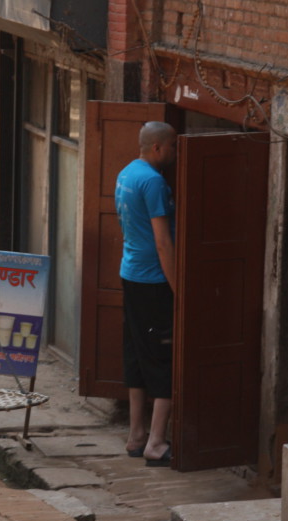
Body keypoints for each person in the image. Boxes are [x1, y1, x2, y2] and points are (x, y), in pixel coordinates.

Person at [114, 121, 178, 467]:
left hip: (131, 274)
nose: (174, 153)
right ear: (157, 148)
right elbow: (162, 240)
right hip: (153, 281)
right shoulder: (153, 182)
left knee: (137, 355)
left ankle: (135, 435)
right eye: (172, 147)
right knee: (163, 359)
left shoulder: (127, 173)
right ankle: (156, 442)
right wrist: (178, 288)